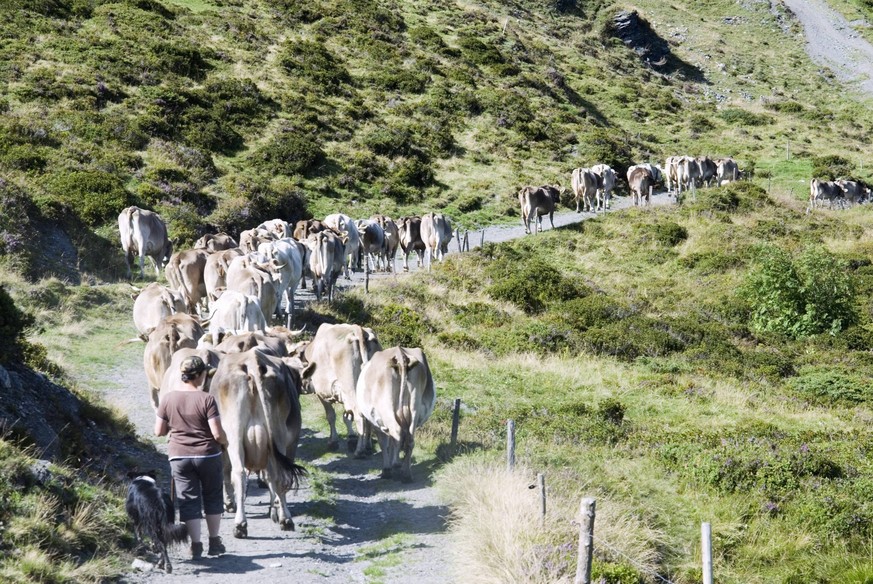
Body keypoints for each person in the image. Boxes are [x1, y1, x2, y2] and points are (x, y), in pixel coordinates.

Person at [155, 356, 228, 559]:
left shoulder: (168, 398)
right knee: (212, 496)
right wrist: (225, 442)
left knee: (188, 500)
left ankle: (196, 546)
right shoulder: (206, 399)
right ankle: (214, 542)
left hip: (179, 456)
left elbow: (158, 431)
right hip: (208, 455)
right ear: (200, 375)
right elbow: (217, 433)